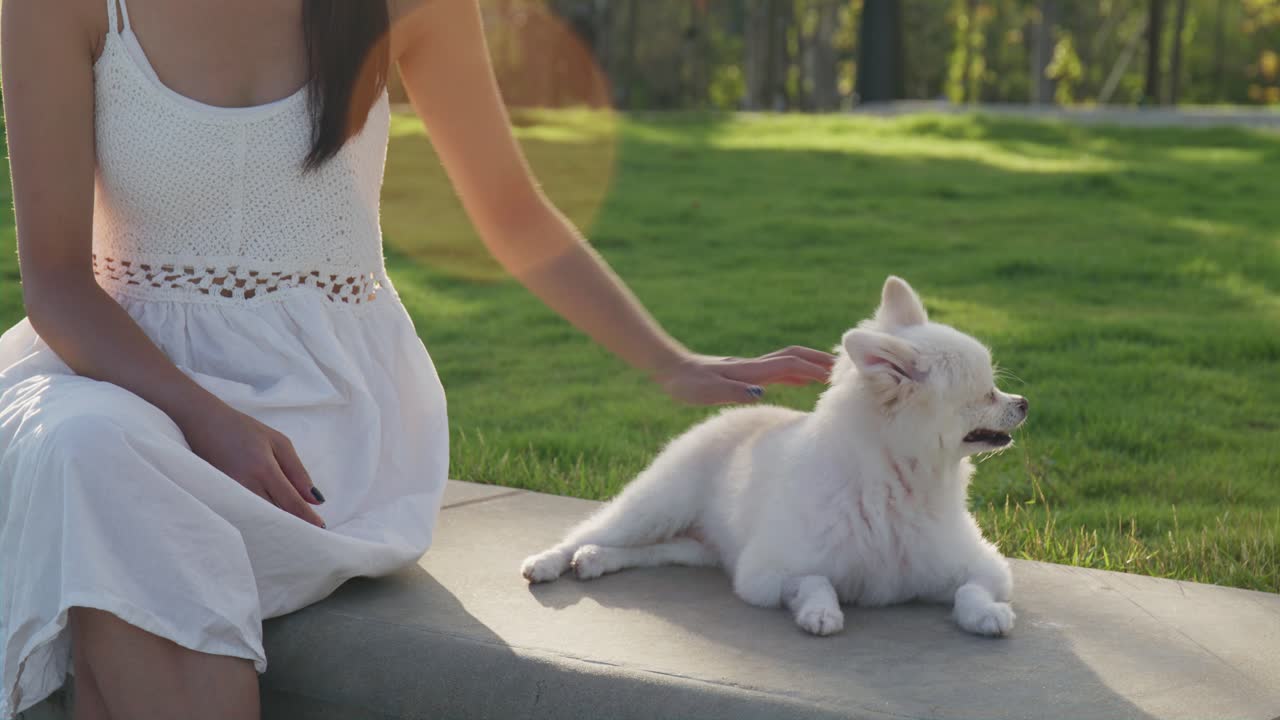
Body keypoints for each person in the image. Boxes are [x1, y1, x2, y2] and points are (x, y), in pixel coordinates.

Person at [0, 0, 835, 717]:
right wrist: (207, 420)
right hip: (121, 382)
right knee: (90, 454)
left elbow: (510, 210)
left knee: (100, 500)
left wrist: (669, 360)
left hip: (328, 423)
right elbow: (60, 286)